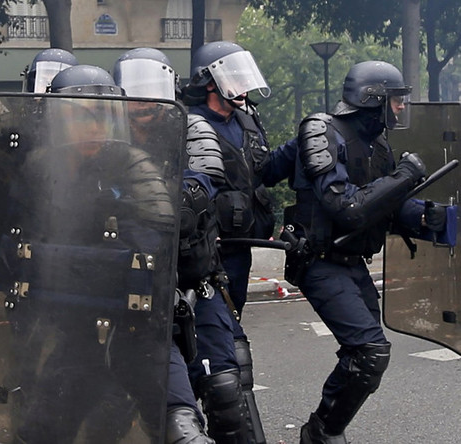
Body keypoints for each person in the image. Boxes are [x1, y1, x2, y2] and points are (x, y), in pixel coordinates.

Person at [0, 64, 212, 443]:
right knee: (39, 428)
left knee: (179, 423)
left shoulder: (131, 164)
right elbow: (13, 235)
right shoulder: (40, 168)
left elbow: (157, 242)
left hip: (134, 322)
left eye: (100, 118)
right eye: (80, 119)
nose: (92, 130)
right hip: (73, 319)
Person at [286, 61, 444, 444]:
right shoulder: (324, 132)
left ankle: (325, 429)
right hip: (321, 260)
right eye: (396, 100)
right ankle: (322, 432)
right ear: (374, 100)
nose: (402, 108)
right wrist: (405, 175)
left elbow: (383, 206)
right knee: (369, 351)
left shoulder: (379, 145)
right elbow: (348, 208)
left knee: (369, 358)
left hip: (353, 262)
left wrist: (427, 218)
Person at [115, 47, 254, 444]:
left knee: (226, 387)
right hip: (133, 283)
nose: (143, 104)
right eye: (134, 94)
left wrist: (144, 199)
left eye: (150, 93)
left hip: (195, 278)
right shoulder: (107, 135)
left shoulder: (191, 128)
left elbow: (200, 186)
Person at [179, 40, 297, 443]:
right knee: (221, 350)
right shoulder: (190, 124)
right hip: (207, 253)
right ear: (208, 82)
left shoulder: (247, 121)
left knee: (223, 344)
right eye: (232, 75)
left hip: (241, 250)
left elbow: (263, 173)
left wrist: (297, 147)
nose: (242, 85)